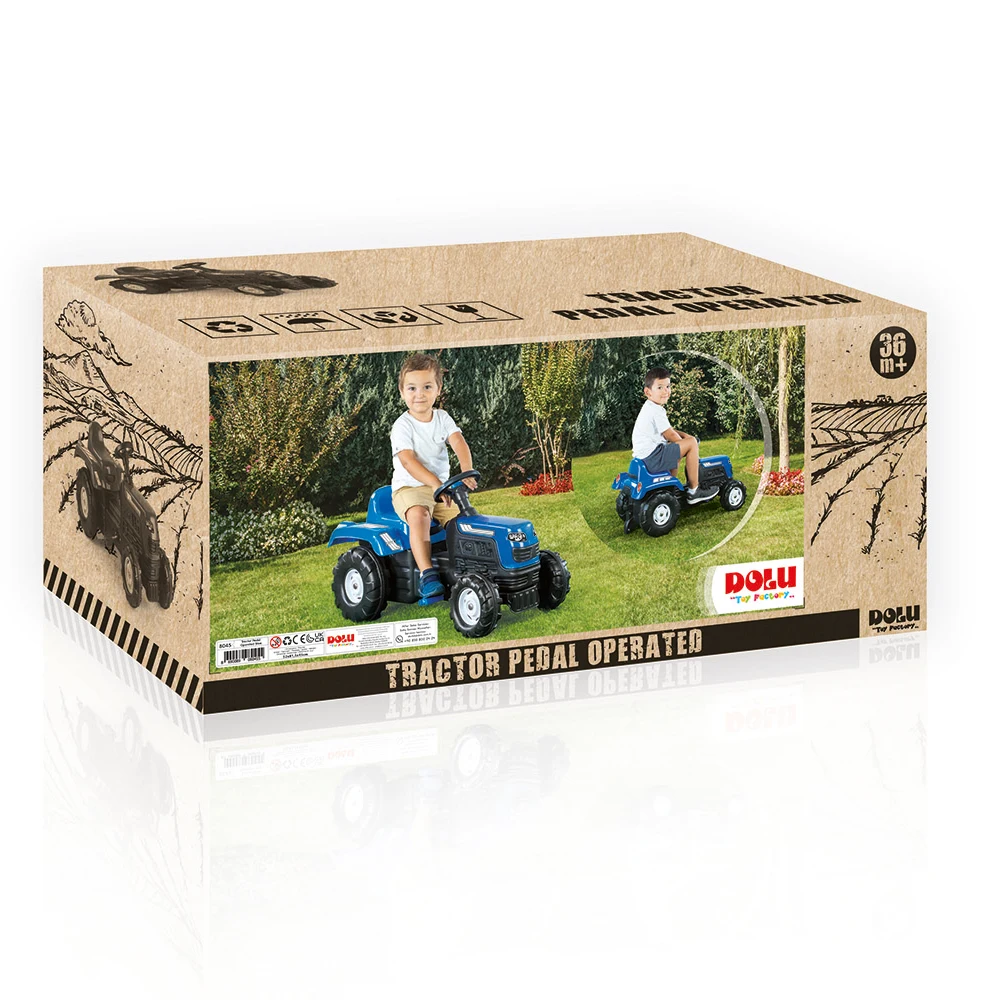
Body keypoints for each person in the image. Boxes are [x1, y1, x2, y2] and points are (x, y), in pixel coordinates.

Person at [390, 353, 476, 599]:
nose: (420, 394)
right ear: (402, 392)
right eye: (412, 388)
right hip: (410, 489)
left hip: (440, 490)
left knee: (464, 522)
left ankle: (466, 566)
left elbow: (458, 442)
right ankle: (427, 574)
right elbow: (408, 462)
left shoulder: (442, 418)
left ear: (438, 389)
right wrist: (437, 483)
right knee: (420, 516)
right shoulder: (402, 426)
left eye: (427, 387)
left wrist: (466, 470)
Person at [631, 367, 719, 504]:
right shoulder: (656, 410)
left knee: (677, 447)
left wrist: (686, 437)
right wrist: (689, 444)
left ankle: (669, 487)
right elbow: (670, 434)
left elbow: (668, 430)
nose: (665, 391)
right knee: (689, 444)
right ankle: (694, 491)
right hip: (653, 457)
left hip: (646, 457)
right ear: (648, 392)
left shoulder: (649, 407)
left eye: (668, 386)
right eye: (660, 387)